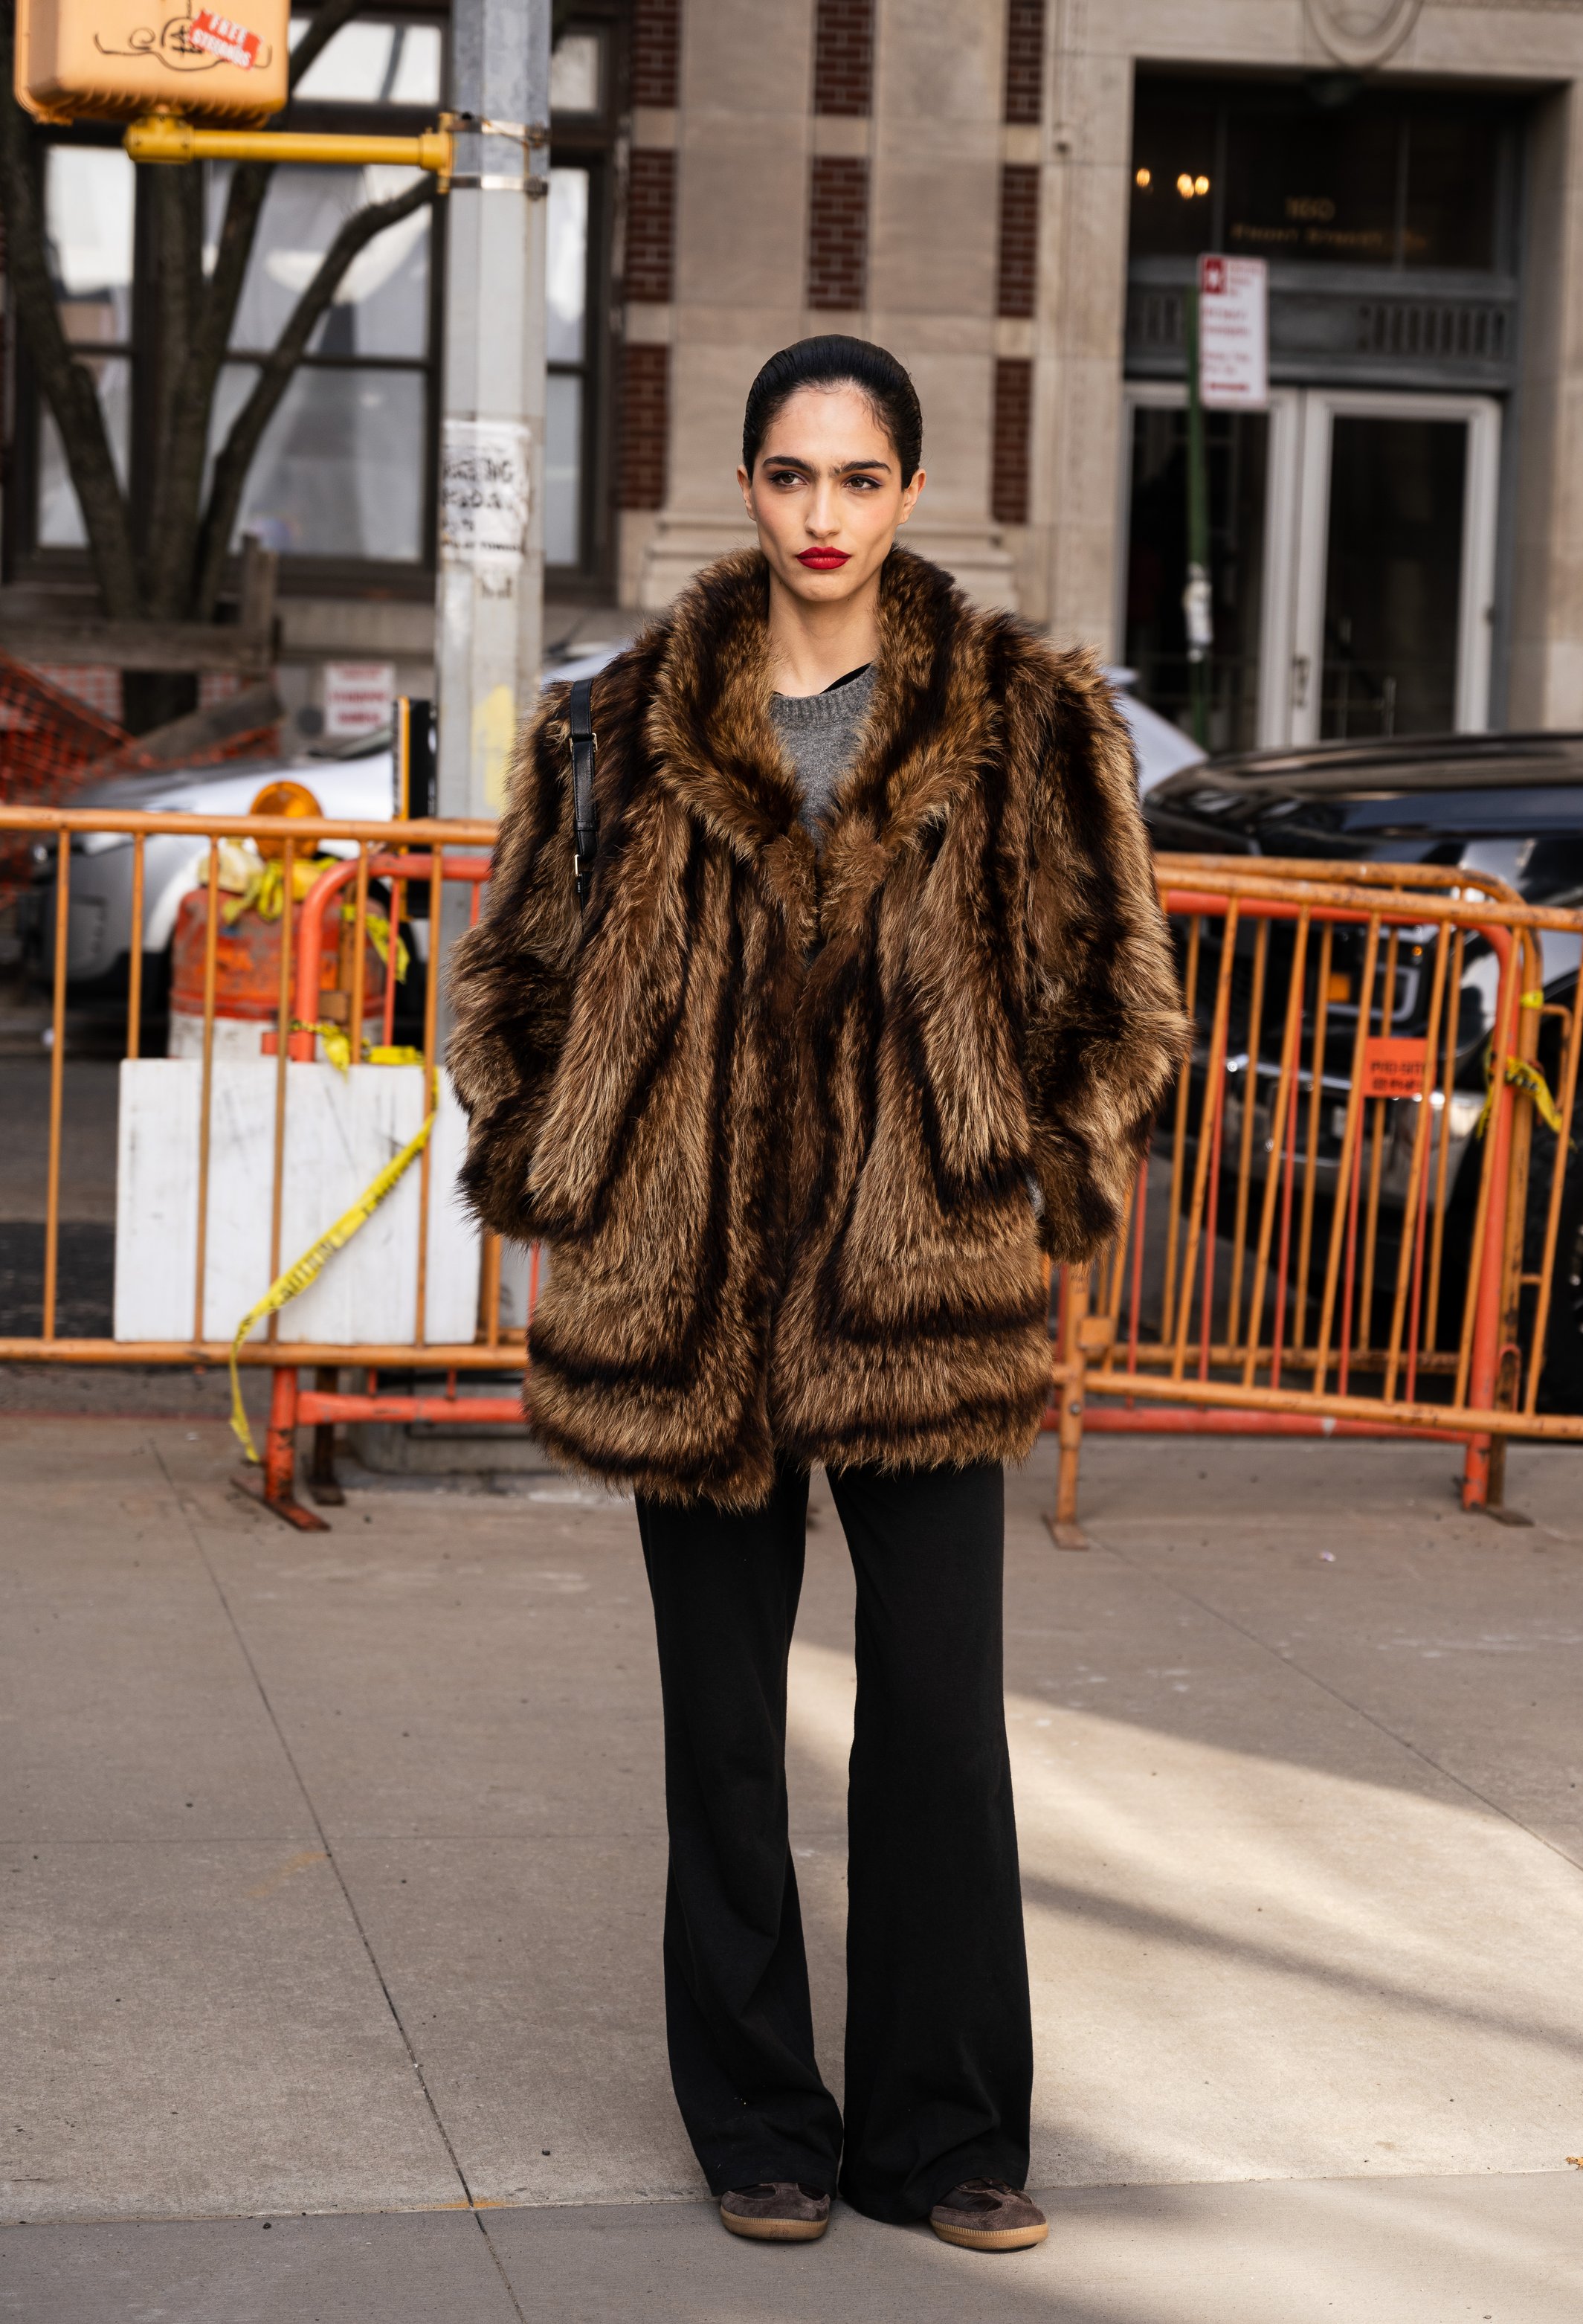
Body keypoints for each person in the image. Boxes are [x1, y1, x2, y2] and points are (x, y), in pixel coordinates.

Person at [446, 336, 1185, 2251]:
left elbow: (1110, 990)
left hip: (922, 1296)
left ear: (910, 493)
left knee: (937, 1722)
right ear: (747, 491)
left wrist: (1038, 1181)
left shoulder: (1021, 719)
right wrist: (561, 1168)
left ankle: (942, 2139)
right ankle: (762, 2127)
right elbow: (512, 981)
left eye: (857, 481)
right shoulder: (615, 727)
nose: (822, 516)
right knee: (719, 1734)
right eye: (790, 477)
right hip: (686, 1309)